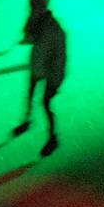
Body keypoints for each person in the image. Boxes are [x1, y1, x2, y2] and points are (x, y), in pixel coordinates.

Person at [14, 10, 66, 157]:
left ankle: (53, 137)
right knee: (30, 94)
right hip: (38, 67)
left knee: (46, 103)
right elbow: (30, 38)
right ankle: (27, 120)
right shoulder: (37, 20)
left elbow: (60, 58)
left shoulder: (55, 31)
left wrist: (55, 81)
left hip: (50, 74)